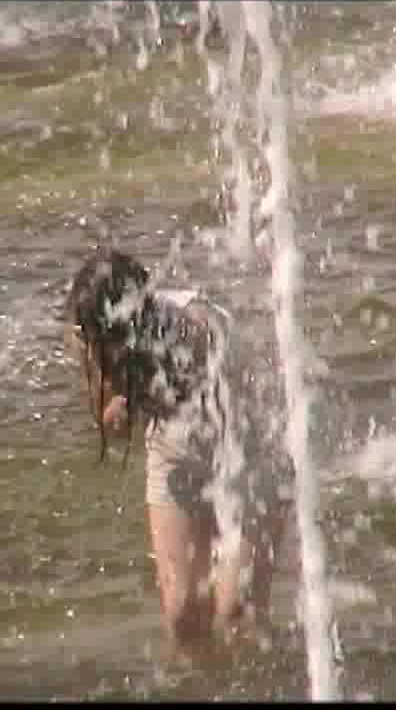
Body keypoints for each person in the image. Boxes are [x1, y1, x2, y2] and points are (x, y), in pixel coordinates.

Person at [63, 247, 297, 662]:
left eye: (106, 337)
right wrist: (115, 407)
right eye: (92, 336)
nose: (97, 347)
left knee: (236, 612)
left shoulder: (193, 329)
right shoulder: (86, 334)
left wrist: (137, 394)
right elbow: (107, 413)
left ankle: (286, 676)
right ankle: (203, 686)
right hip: (175, 447)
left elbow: (206, 372)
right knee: (183, 617)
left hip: (254, 446)